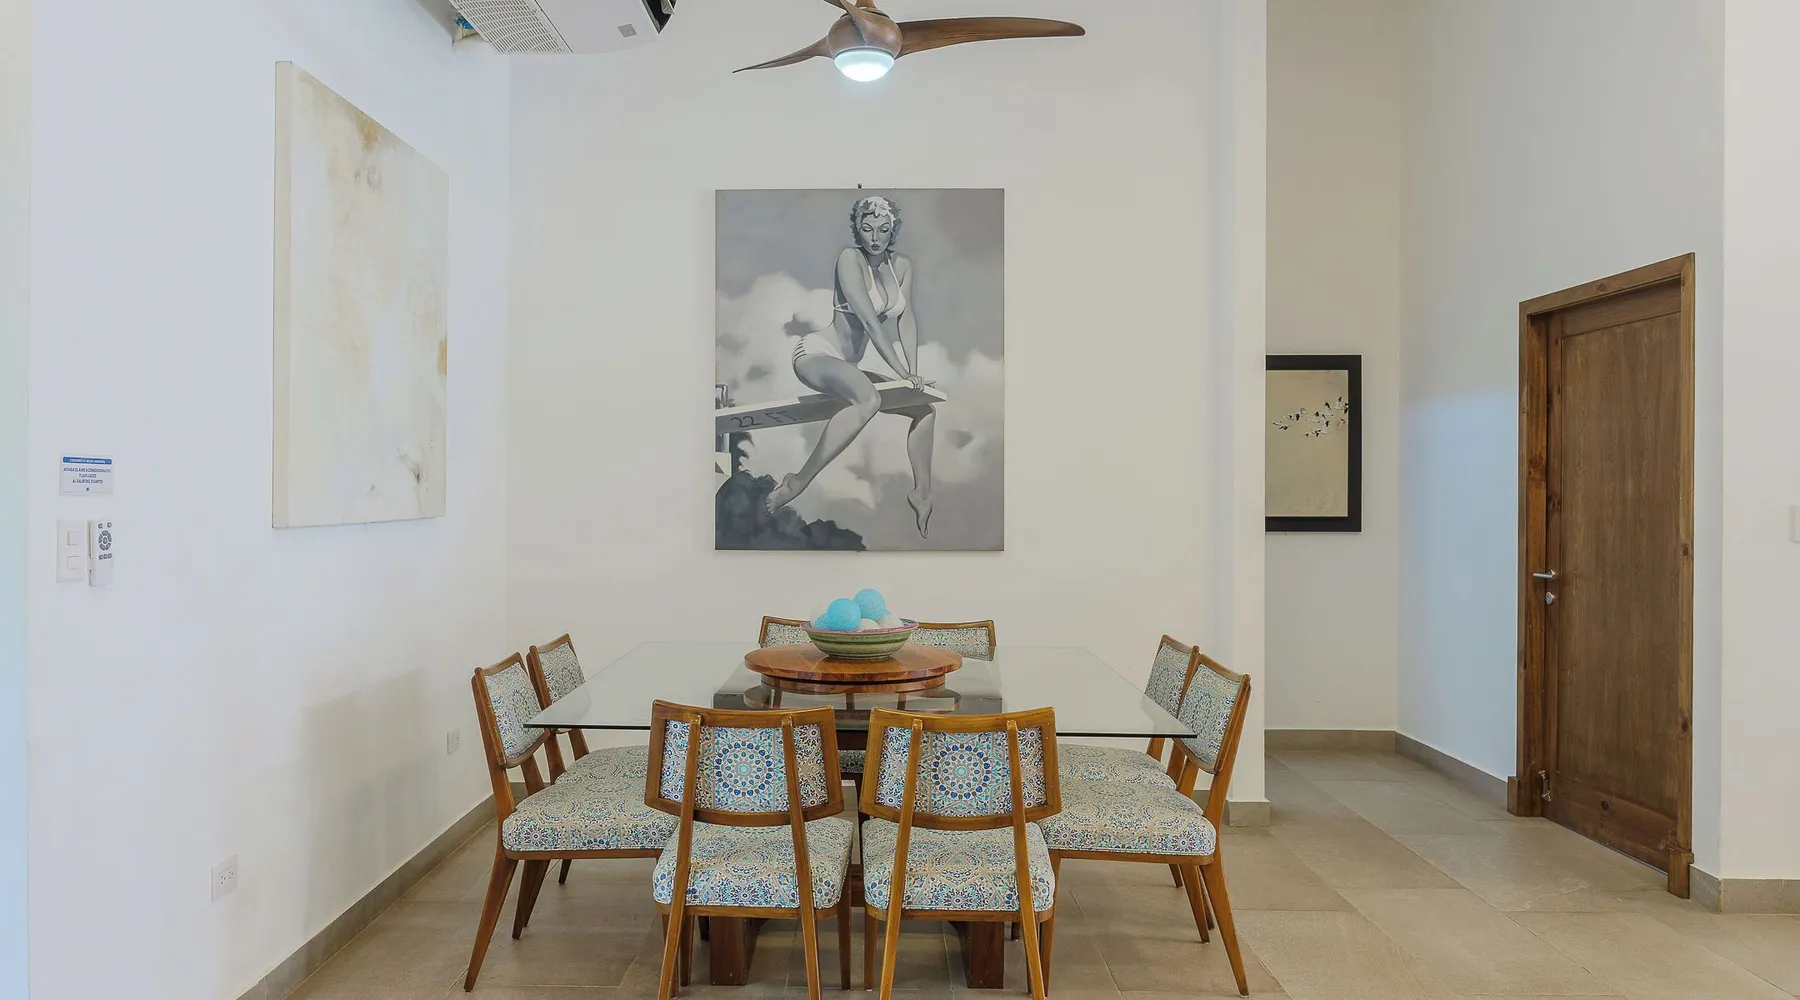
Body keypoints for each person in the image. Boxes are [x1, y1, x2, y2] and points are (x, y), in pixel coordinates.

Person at [765, 196, 937, 537]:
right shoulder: (849, 259)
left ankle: (923, 494)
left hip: (847, 366)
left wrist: (914, 375)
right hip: (816, 354)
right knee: (869, 399)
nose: (875, 237)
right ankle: (797, 482)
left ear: (892, 231)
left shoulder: (901, 266)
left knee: (924, 409)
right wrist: (903, 374)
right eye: (867, 229)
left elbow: (906, 320)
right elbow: (871, 323)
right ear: (858, 229)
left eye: (883, 230)